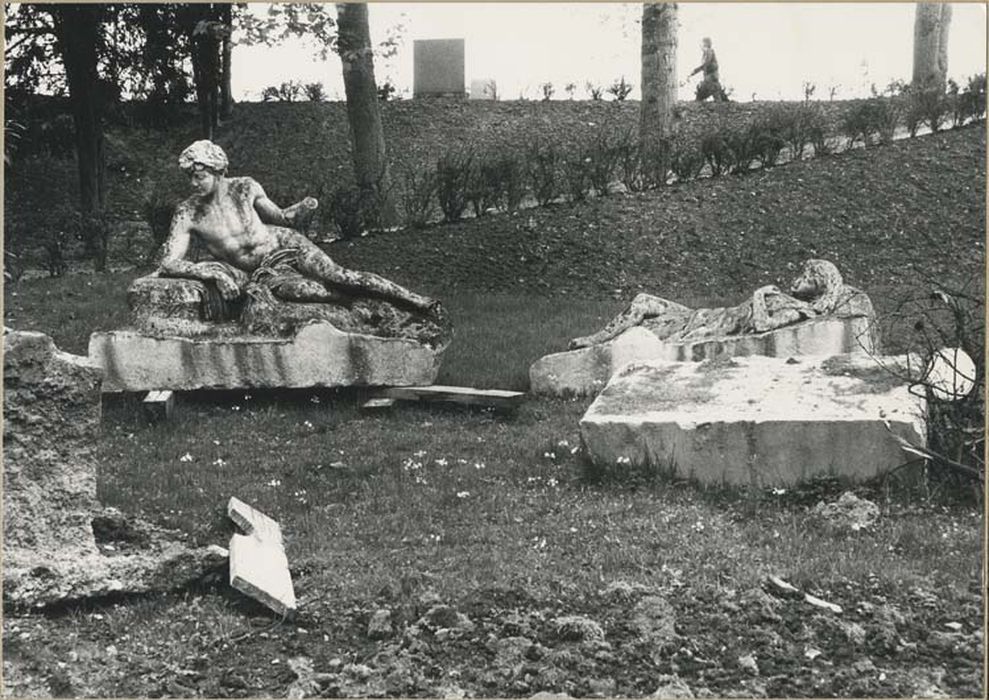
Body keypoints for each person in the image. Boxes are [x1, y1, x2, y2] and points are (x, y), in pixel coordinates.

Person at [156, 140, 442, 319]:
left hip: (284, 245)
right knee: (311, 291)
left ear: (218, 170)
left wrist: (301, 208)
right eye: (190, 178)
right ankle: (373, 307)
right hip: (262, 272)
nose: (194, 184)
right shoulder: (188, 212)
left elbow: (281, 217)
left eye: (199, 176)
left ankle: (418, 302)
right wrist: (210, 271)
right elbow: (169, 261)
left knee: (340, 275)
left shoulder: (245, 187)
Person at [689, 37, 728, 102]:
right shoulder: (707, 52)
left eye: (701, 44)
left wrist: (694, 71)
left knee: (713, 96)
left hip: (711, 78)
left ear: (705, 44)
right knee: (702, 95)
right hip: (710, 79)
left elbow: (706, 64)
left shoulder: (709, 51)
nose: (700, 46)